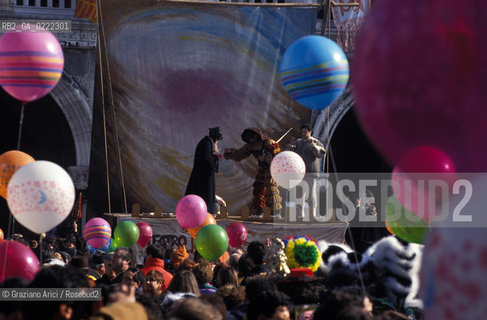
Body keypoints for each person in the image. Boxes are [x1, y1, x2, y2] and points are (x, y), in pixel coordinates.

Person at [224, 127, 282, 216]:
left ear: (256, 136)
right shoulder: (250, 146)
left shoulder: (269, 142)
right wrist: (230, 152)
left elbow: (278, 157)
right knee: (258, 189)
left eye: (252, 137)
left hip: (271, 169)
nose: (250, 140)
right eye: (248, 139)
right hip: (261, 169)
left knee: (271, 189)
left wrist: (265, 158)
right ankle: (260, 211)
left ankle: (276, 212)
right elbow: (240, 154)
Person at [289, 124, 326, 219]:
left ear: (310, 132)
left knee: (310, 194)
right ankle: (299, 214)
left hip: (310, 171)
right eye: (302, 132)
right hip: (299, 172)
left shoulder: (316, 141)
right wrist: (291, 145)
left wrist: (313, 145)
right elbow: (290, 154)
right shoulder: (298, 142)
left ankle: (312, 214)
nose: (303, 134)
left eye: (305, 132)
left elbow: (320, 154)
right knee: (299, 194)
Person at [185, 127, 223, 215]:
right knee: (204, 196)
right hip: (203, 177)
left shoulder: (206, 142)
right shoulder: (206, 143)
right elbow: (206, 159)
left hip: (203, 175)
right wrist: (217, 158)